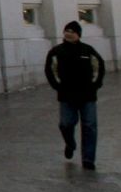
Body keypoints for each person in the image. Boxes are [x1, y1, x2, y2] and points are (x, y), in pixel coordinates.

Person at [45, 21, 105, 170]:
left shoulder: (88, 51)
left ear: (78, 34)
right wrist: (58, 87)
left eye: (72, 31)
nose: (69, 33)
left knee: (90, 126)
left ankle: (88, 159)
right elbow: (51, 70)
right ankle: (70, 143)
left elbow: (98, 67)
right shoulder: (56, 51)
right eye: (67, 30)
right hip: (66, 96)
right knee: (66, 124)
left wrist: (94, 86)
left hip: (87, 96)